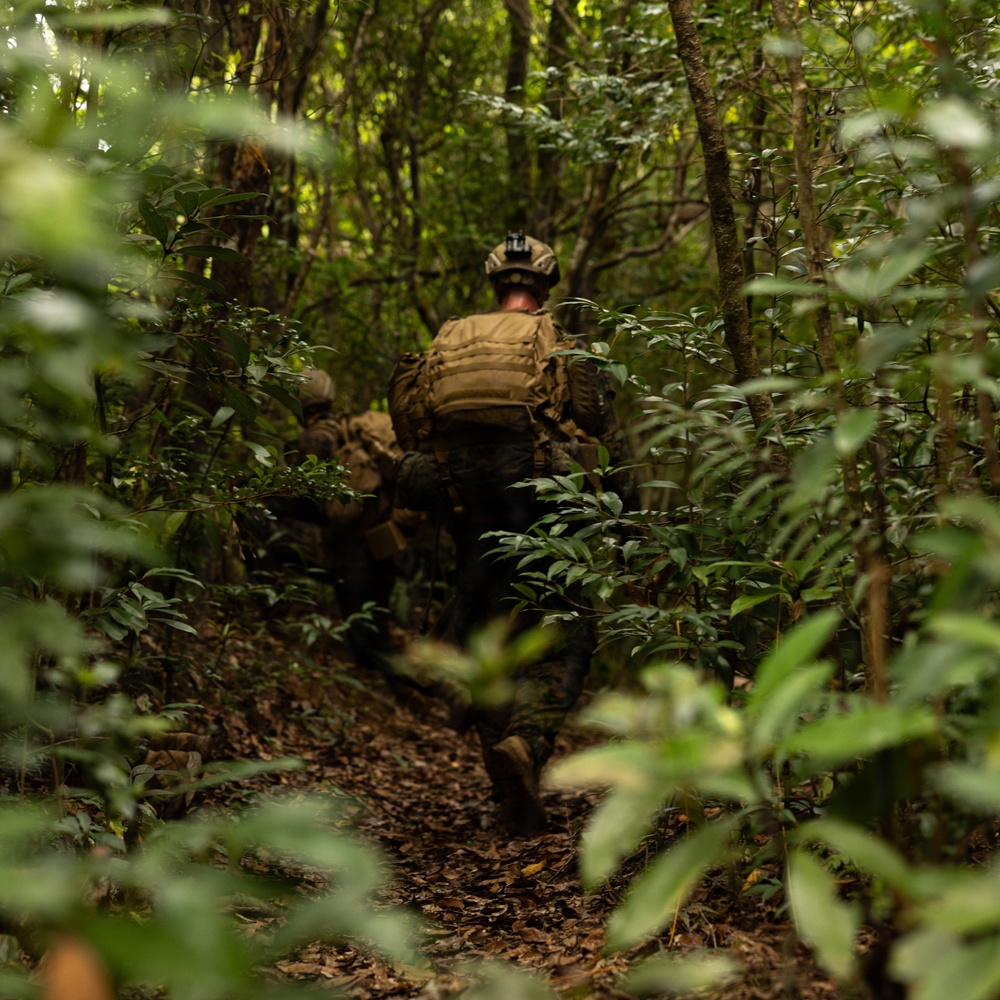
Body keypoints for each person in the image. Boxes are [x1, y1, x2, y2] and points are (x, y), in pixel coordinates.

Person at [389, 233, 629, 835]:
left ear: (495, 287)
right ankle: (526, 741)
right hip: (538, 502)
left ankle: (506, 780)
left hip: (464, 503)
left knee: (483, 632)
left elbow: (410, 424)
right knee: (565, 630)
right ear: (544, 286)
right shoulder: (558, 342)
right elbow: (597, 420)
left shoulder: (449, 338)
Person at [275, 369, 409, 673]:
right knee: (375, 618)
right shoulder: (350, 429)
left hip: (352, 548)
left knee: (365, 640)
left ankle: (429, 688)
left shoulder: (316, 439)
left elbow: (299, 500)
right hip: (383, 539)